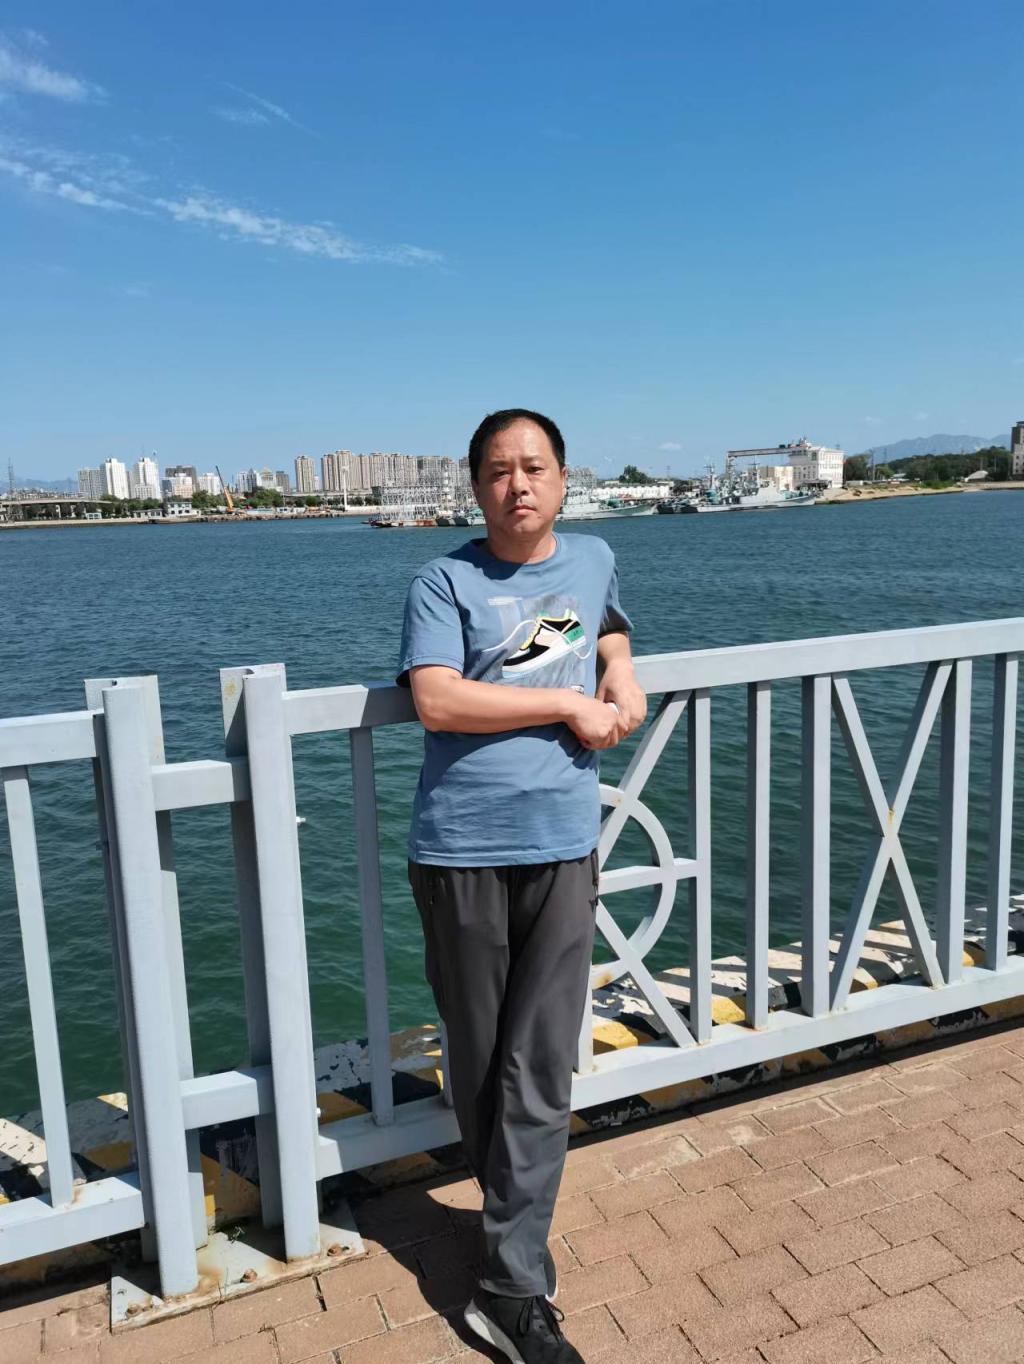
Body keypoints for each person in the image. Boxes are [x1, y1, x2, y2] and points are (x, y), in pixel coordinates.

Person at [397, 409, 646, 1363]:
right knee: (479, 1059)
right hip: (461, 849)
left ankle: (509, 1286)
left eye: (534, 467)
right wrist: (568, 704)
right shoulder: (443, 580)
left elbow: (607, 629)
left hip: (564, 843)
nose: (519, 485)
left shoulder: (593, 558)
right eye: (499, 471)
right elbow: (436, 698)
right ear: (475, 487)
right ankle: (514, 1238)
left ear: (564, 479)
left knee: (539, 1063)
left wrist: (622, 679)